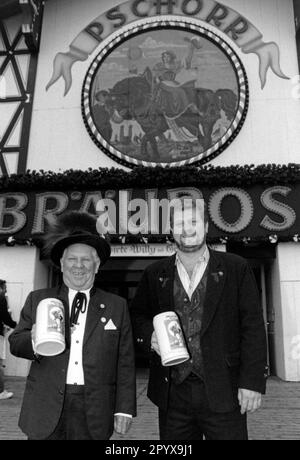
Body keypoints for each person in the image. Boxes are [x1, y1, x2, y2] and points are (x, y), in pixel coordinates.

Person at [130, 195, 268, 440]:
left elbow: (253, 328)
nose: (187, 229)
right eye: (180, 223)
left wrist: (252, 382)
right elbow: (138, 315)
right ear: (172, 230)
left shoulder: (236, 268)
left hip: (224, 389)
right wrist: (148, 335)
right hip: (173, 393)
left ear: (205, 226)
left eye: (193, 221)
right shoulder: (155, 273)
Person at [9, 211, 136, 440]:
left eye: (86, 260)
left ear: (96, 266)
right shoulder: (38, 299)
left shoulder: (117, 306)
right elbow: (16, 343)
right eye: (72, 259)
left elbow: (125, 363)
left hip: (94, 410)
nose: (79, 265)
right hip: (44, 407)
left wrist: (124, 408)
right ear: (61, 263)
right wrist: (34, 339)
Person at [0, 279, 16, 400]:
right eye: (5, 287)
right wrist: (15, 325)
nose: (6, 290)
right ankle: (0, 392)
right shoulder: (1, 298)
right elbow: (5, 315)